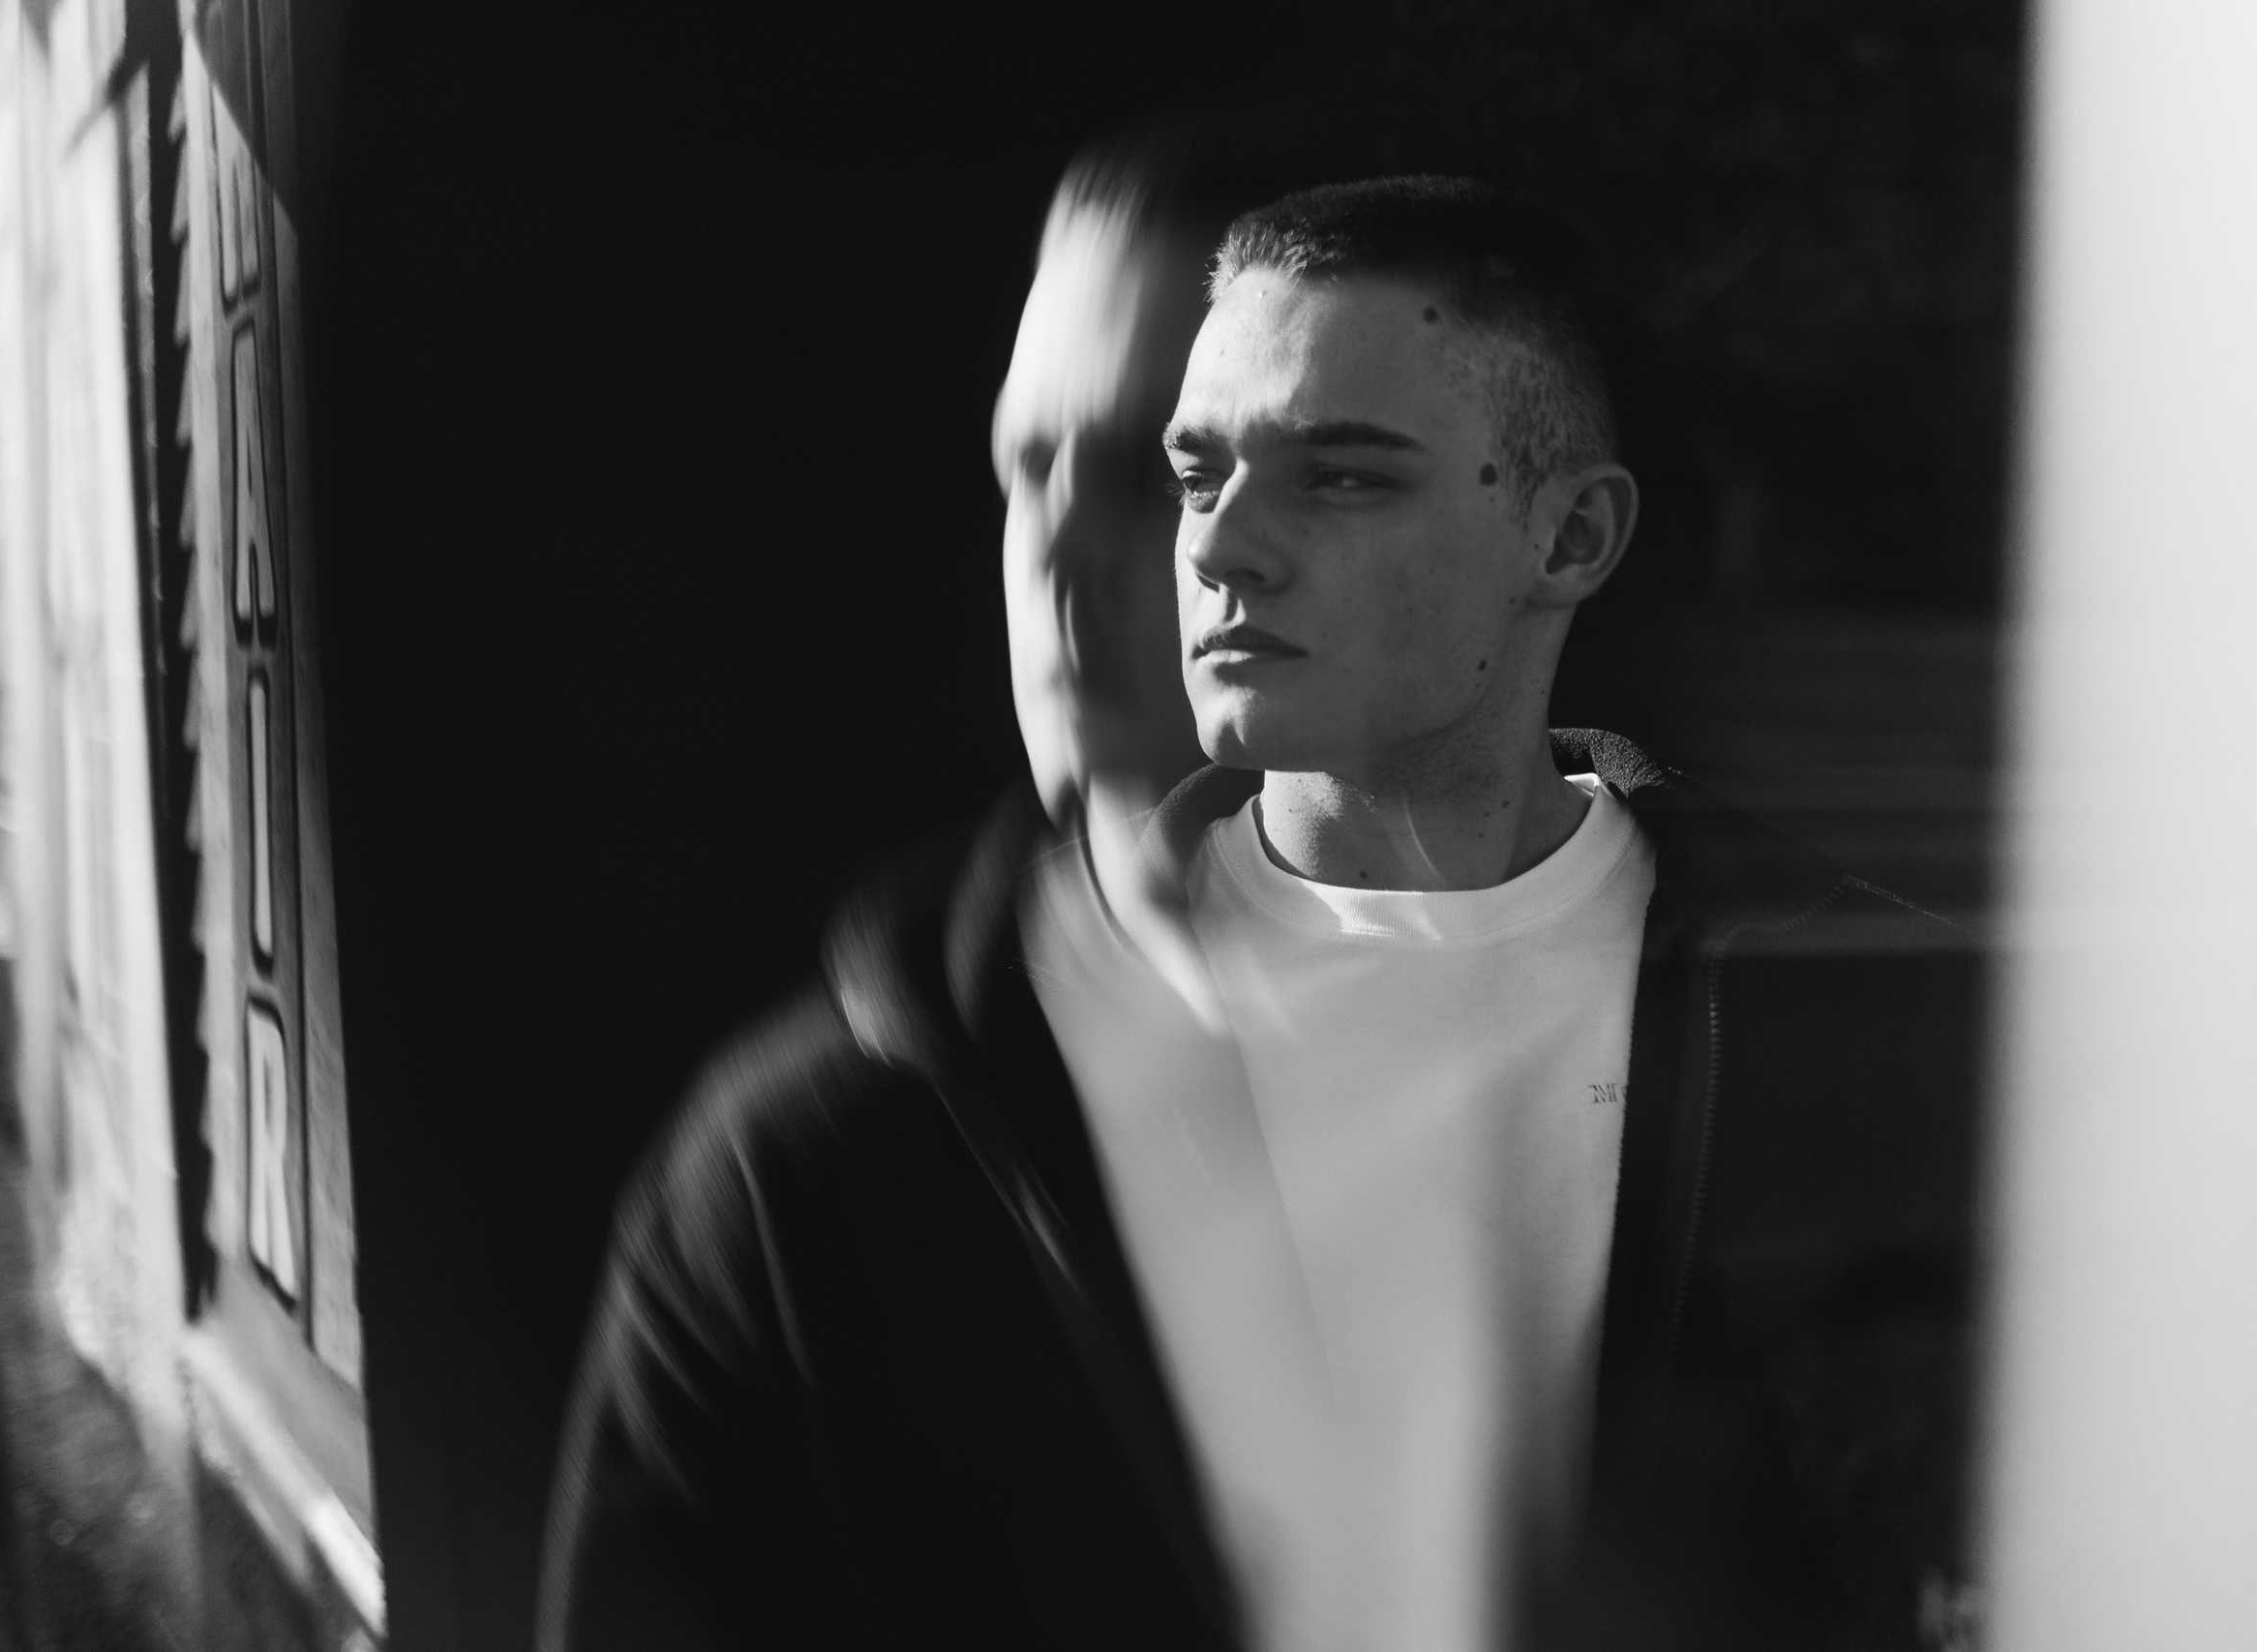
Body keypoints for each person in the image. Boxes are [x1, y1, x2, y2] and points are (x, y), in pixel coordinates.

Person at [539, 166, 1981, 1652]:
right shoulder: (826, 1154)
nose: (1220, 545)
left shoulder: (1873, 1052)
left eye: (1342, 474)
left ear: (1571, 540)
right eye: (1195, 472)